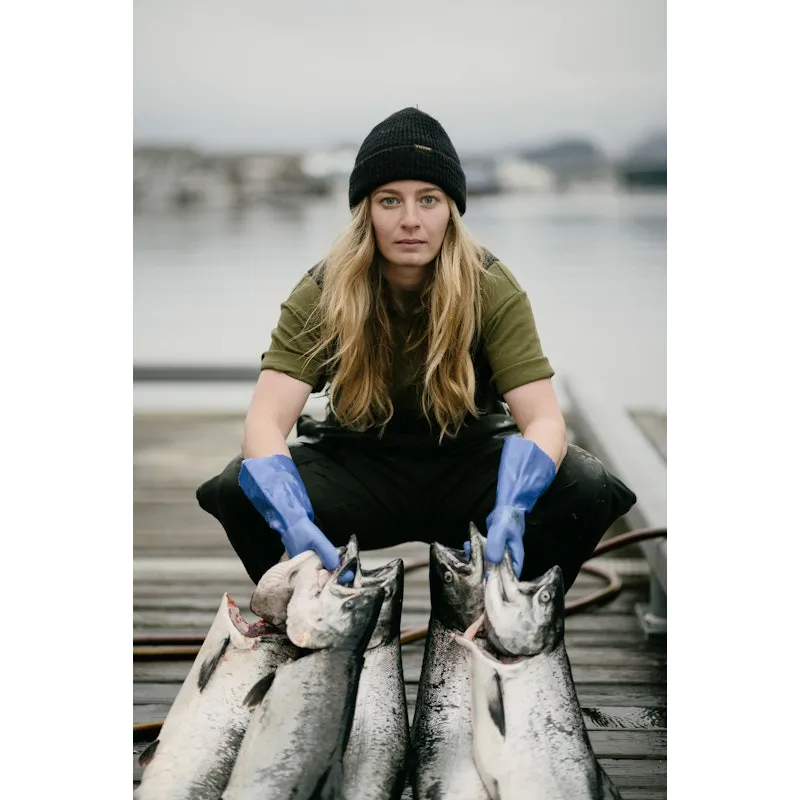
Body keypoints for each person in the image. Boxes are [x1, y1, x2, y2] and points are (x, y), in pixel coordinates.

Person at [196, 107, 636, 592]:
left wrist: (513, 504)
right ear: (366, 209)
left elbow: (545, 420)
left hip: (469, 470)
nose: (410, 220)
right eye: (390, 201)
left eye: (428, 199)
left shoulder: (491, 286)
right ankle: (310, 618)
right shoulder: (322, 290)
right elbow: (264, 422)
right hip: (357, 470)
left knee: (586, 484)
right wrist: (291, 518)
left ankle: (510, 622)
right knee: (238, 486)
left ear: (451, 208)